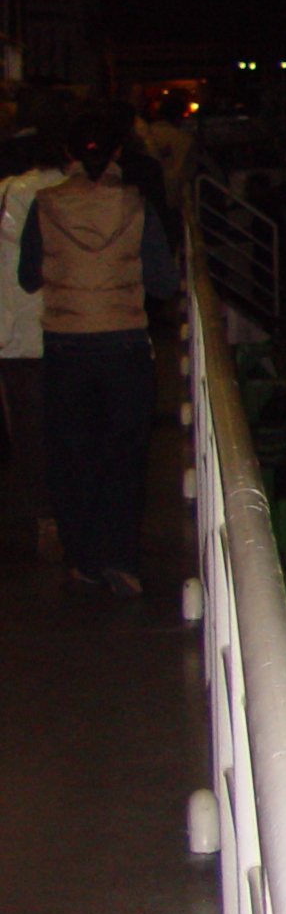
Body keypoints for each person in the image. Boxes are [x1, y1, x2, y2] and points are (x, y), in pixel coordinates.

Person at [17, 110, 179, 595]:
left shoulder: (43, 206)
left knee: (73, 455)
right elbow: (164, 283)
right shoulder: (136, 206)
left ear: (68, 154)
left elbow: (29, 279)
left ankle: (83, 559)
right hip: (124, 346)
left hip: (66, 348)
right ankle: (120, 560)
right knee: (124, 457)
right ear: (115, 154)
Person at [0, 130, 71, 559]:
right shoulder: (75, 193)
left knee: (28, 435)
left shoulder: (7, 193)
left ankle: (46, 520)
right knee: (72, 429)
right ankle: (72, 515)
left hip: (12, 335)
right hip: (70, 329)